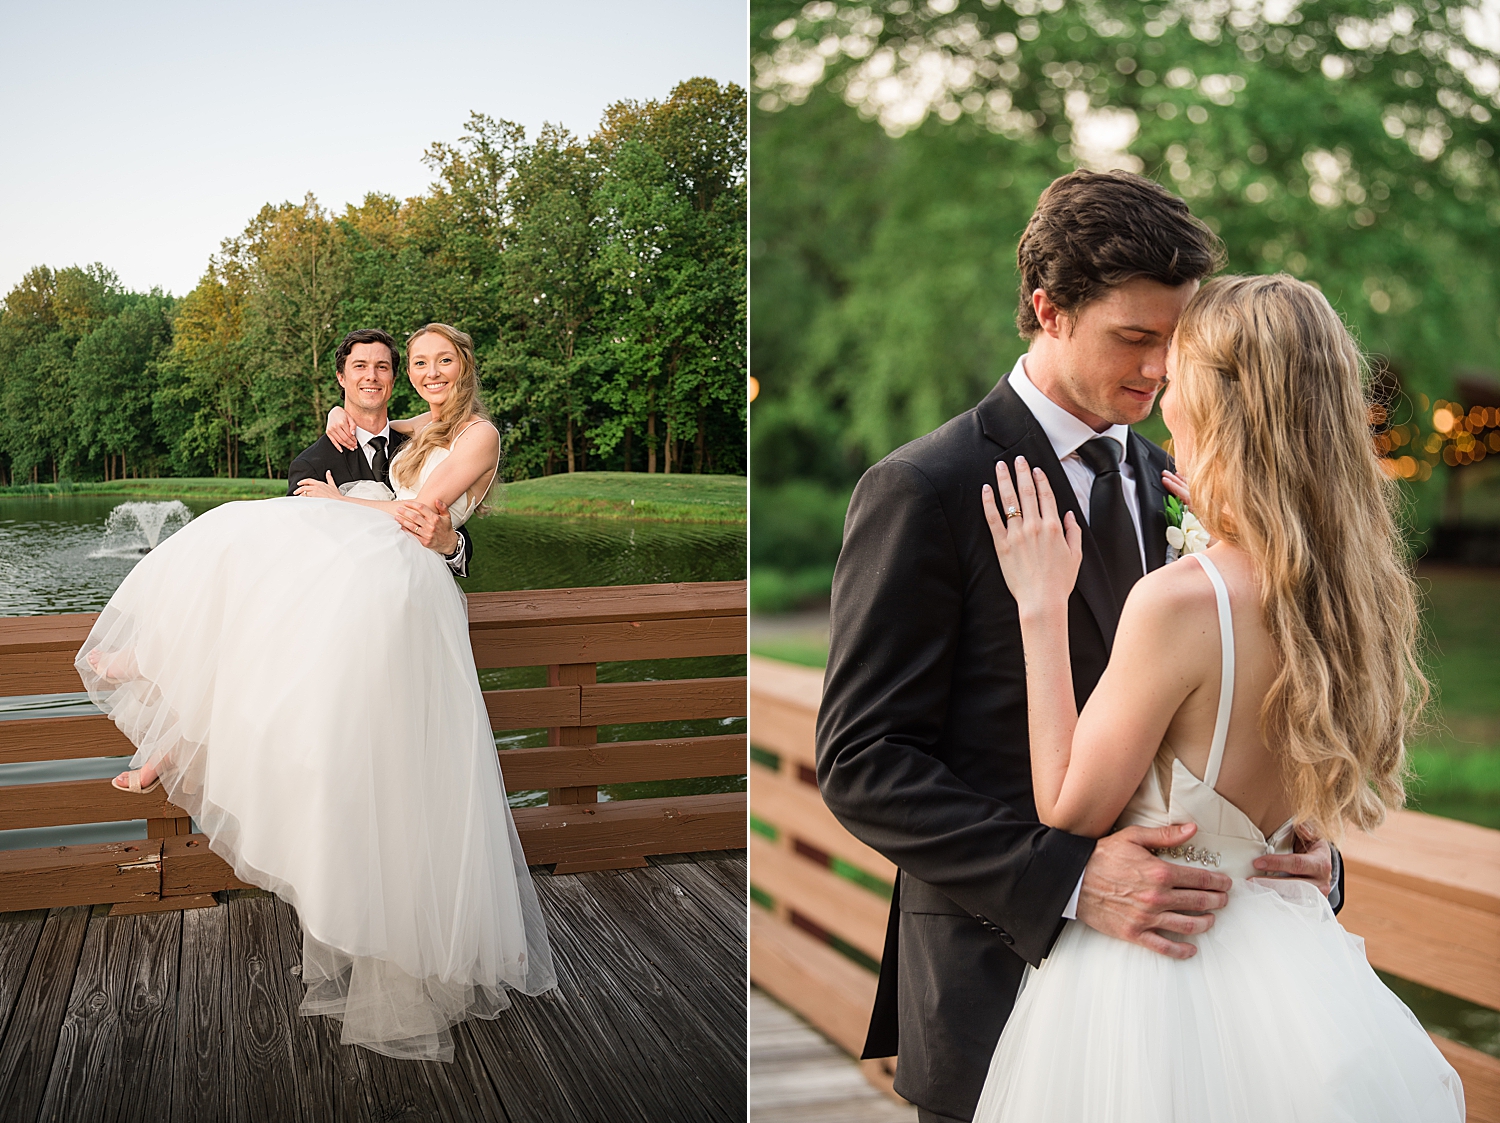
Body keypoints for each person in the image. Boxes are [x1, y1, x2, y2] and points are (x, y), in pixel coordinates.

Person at [815, 171, 1339, 1122]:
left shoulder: (1178, 471)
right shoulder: (925, 488)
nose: (1156, 372)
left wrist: (1299, 848)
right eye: (1133, 339)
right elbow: (861, 761)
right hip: (995, 982)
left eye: (1173, 346)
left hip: (1193, 1002)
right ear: (1047, 311)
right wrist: (1066, 877)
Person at [971, 274, 1462, 1120]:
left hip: (1156, 982)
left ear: (1220, 407)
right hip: (1292, 970)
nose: (1163, 404)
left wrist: (1040, 606)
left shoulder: (1180, 601)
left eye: (1182, 378)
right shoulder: (1352, 594)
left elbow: (1066, 806)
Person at [75, 322, 554, 1062]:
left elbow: (423, 517)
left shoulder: (480, 433)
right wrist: (346, 424)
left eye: (437, 361)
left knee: (272, 585)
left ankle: (161, 701)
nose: (423, 372)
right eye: (413, 363)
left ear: (464, 368)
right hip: (384, 572)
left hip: (408, 588)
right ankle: (160, 689)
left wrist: (337, 502)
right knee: (265, 595)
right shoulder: (411, 424)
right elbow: (378, 426)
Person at [287, 328, 474, 578]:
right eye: (360, 366)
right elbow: (295, 555)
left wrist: (452, 546)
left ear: (394, 379)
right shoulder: (311, 466)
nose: (371, 376)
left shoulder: (424, 446)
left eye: (382, 367)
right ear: (341, 377)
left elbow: (455, 527)